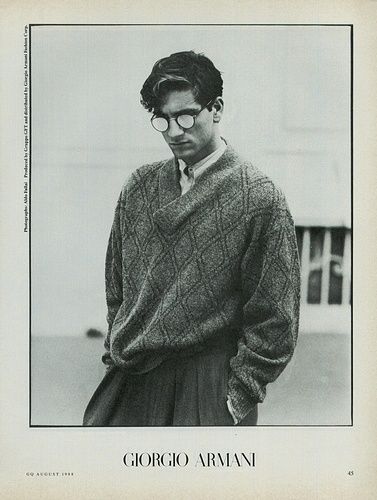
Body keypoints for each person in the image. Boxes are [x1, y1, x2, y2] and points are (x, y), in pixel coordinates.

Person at [83, 50, 300, 426]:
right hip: (130, 380)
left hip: (208, 386)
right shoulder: (139, 187)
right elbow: (116, 289)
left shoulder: (260, 198)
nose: (174, 131)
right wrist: (114, 355)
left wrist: (237, 397)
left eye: (185, 115)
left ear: (215, 108)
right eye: (162, 120)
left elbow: (275, 317)